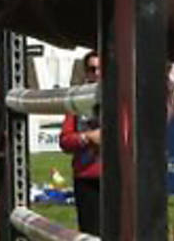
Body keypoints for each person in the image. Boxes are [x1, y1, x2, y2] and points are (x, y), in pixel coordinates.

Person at [59, 51, 102, 235]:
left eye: (102, 69)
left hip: (118, 179)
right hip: (86, 178)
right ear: (86, 73)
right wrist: (87, 137)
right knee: (90, 234)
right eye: (93, 69)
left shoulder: (122, 96)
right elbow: (65, 141)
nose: (98, 74)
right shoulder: (77, 102)